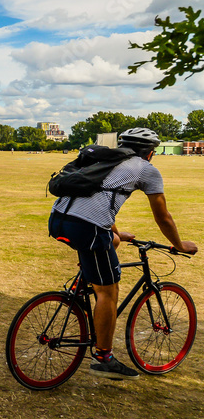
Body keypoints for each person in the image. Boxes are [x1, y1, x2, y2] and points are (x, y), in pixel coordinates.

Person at [49, 127, 197, 379]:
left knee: (112, 241)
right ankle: (103, 358)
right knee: (108, 291)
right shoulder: (146, 169)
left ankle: (83, 284)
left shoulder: (104, 159)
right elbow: (163, 216)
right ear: (150, 153)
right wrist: (180, 245)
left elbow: (98, 200)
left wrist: (117, 231)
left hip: (58, 220)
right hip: (87, 228)